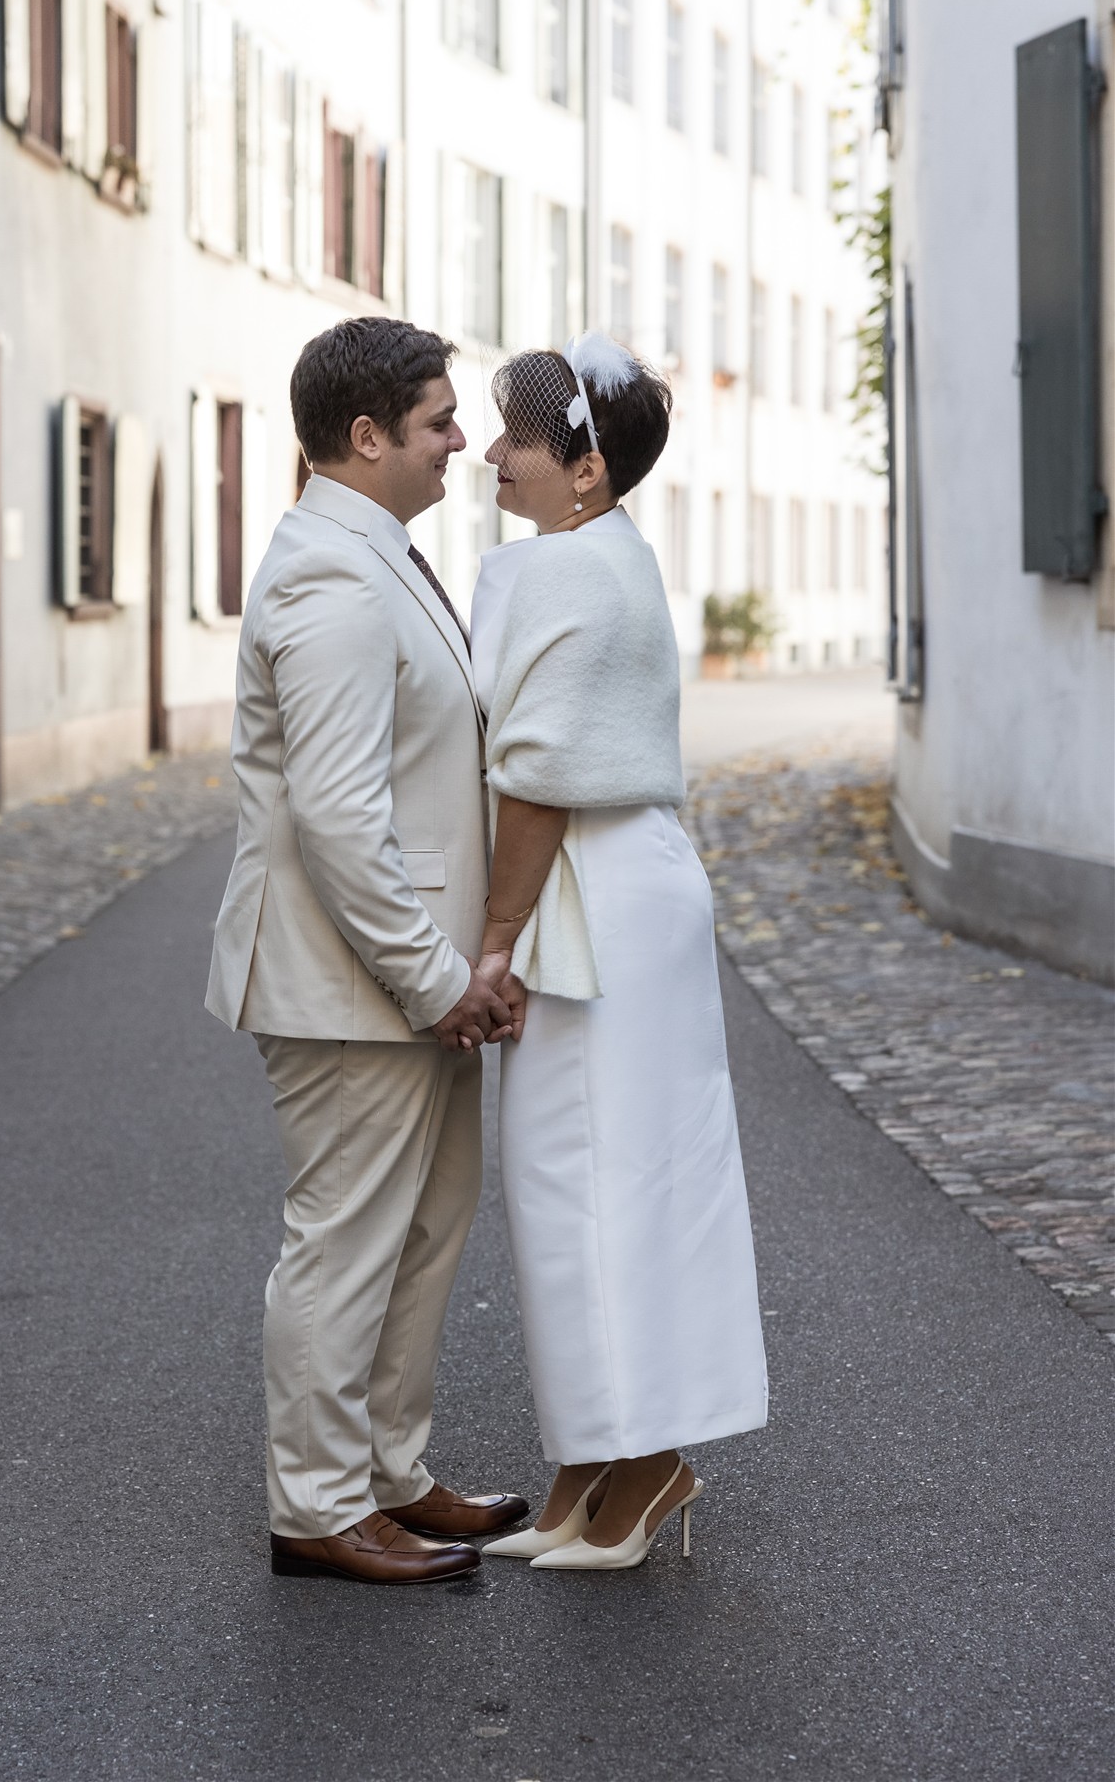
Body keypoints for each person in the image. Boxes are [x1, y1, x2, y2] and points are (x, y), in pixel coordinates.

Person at [205, 317, 528, 1586]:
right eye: (440, 421)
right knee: (344, 1243)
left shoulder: (374, 554)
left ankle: (391, 1473)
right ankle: (318, 1506)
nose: (460, 441)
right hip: (352, 984)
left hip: (403, 978)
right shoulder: (330, 579)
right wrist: (439, 978)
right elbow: (338, 818)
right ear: (365, 434)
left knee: (426, 1229)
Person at [470, 333, 768, 1573]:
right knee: (593, 1181)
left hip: (594, 893)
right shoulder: (600, 552)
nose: (493, 451)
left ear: (583, 467)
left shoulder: (570, 572)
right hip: (619, 888)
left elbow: (539, 778)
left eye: (518, 437)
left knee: (601, 1183)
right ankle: (590, 1462)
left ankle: (644, 1465)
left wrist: (492, 942)